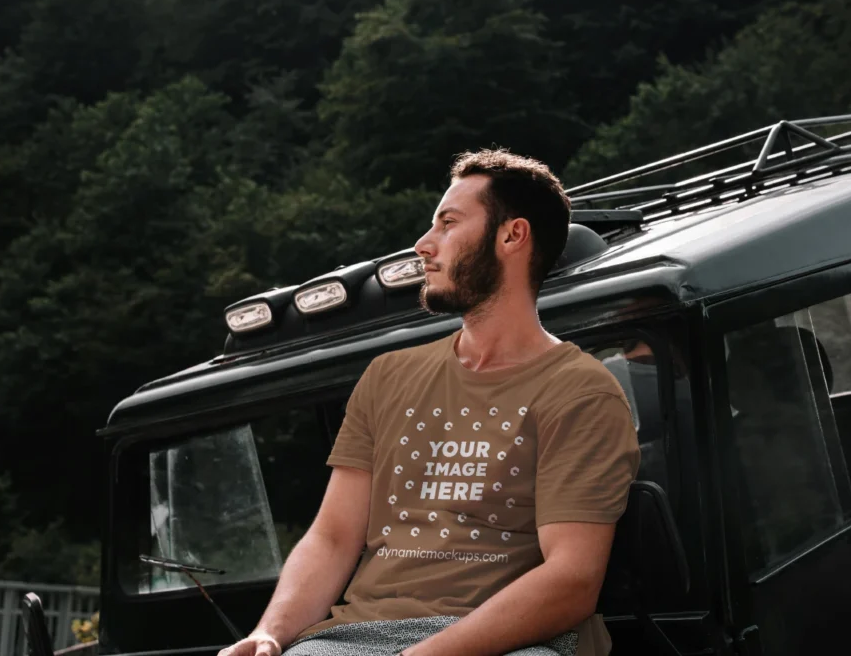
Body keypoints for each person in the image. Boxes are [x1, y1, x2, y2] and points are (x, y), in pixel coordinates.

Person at [218, 149, 640, 656]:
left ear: (512, 236)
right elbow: (332, 539)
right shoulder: (388, 376)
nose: (423, 244)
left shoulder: (581, 392)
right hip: (352, 639)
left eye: (448, 223)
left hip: (509, 642)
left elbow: (571, 580)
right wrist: (271, 633)